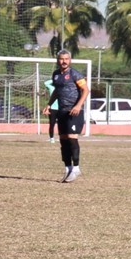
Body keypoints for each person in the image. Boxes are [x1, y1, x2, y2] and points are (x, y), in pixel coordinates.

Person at [48, 49, 88, 182]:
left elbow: (86, 90)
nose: (64, 61)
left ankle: (76, 168)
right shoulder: (55, 75)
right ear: (57, 60)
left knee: (72, 138)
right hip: (61, 111)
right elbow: (56, 91)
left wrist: (78, 106)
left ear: (70, 60)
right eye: (61, 59)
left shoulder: (75, 74)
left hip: (74, 111)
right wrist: (49, 104)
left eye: (66, 59)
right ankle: (68, 167)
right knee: (63, 139)